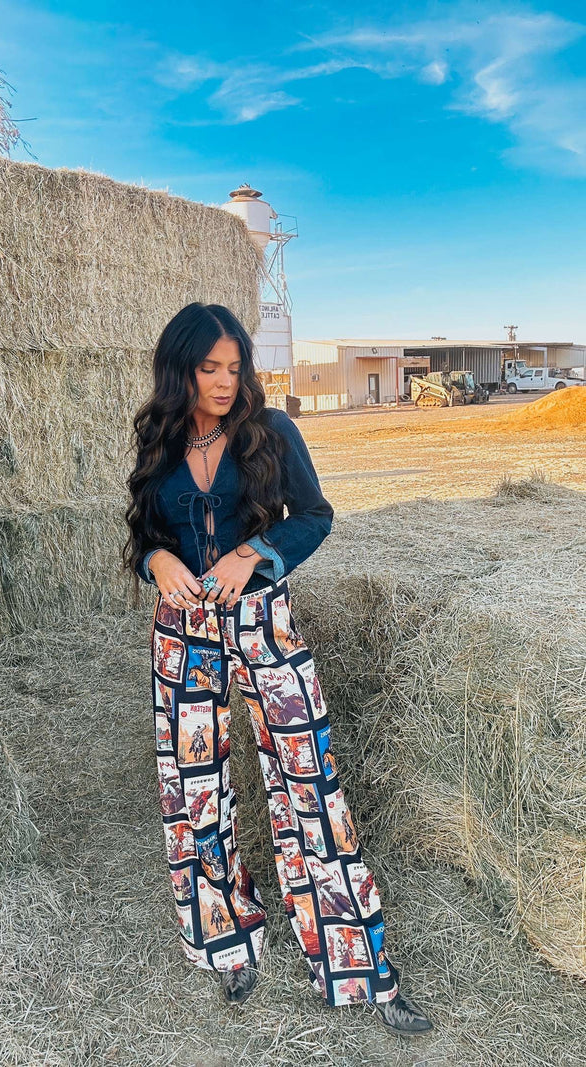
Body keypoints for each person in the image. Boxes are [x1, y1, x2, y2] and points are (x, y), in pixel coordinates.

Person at [124, 302, 432, 1035]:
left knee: (308, 780)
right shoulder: (158, 437)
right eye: (209, 368)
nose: (224, 382)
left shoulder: (271, 431)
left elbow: (315, 516)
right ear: (179, 368)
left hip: (262, 618)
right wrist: (157, 559)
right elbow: (143, 531)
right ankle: (225, 937)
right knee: (192, 789)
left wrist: (254, 554)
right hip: (182, 631)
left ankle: (358, 967)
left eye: (234, 367)